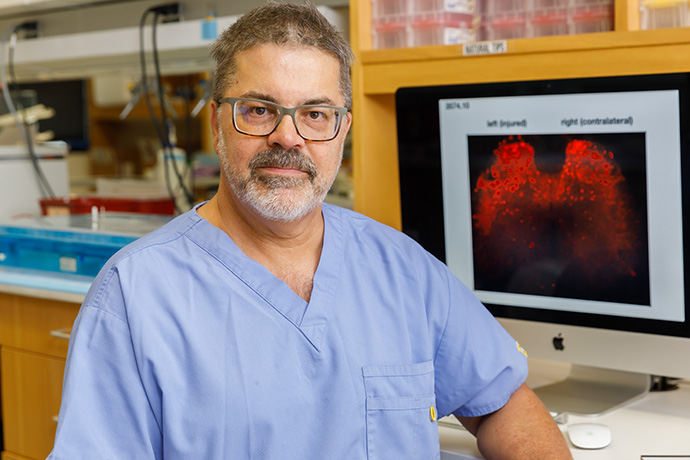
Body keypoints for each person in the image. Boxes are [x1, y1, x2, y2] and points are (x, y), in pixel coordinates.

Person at [48, 3, 572, 459]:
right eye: (258, 110)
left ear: (341, 129)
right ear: (216, 123)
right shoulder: (136, 295)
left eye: (315, 114)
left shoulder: (402, 269)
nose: (288, 137)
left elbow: (502, 401)